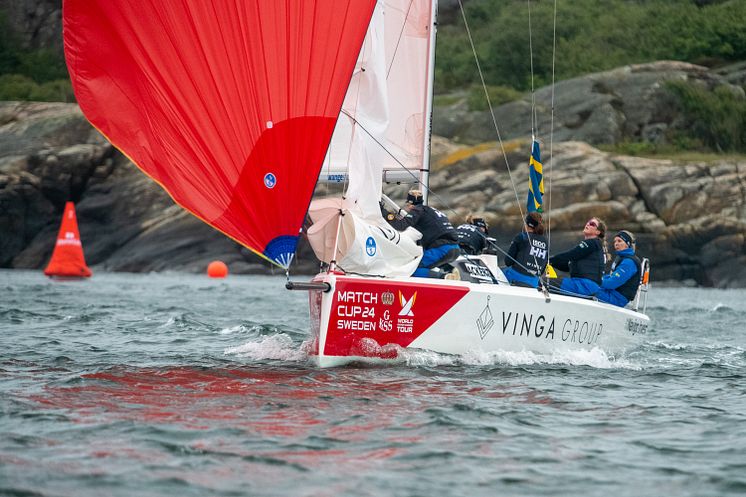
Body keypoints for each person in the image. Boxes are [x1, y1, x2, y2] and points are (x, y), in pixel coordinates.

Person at [386, 189, 460, 278]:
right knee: (429, 260)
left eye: (408, 204)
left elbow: (400, 225)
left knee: (413, 268)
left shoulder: (417, 210)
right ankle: (450, 270)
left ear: (410, 203)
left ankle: (444, 277)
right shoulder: (431, 210)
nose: (407, 207)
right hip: (455, 249)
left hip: (442, 249)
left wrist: (385, 213)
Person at [548, 217, 607, 297]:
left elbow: (571, 254)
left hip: (585, 286)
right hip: (584, 285)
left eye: (592, 224)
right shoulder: (593, 246)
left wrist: (548, 259)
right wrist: (551, 263)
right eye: (588, 222)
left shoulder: (592, 243)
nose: (588, 224)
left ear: (597, 232)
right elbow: (567, 266)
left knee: (545, 282)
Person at [595, 230, 641, 307]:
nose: (616, 243)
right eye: (615, 241)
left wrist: (594, 281)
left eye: (619, 241)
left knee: (586, 288)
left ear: (627, 244)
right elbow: (610, 277)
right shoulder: (621, 258)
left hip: (617, 299)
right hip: (611, 293)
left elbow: (612, 283)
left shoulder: (629, 262)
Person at [502, 212, 549, 288]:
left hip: (516, 278)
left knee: (496, 273)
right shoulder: (545, 242)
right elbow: (543, 268)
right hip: (533, 282)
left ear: (527, 224)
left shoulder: (521, 237)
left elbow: (508, 262)